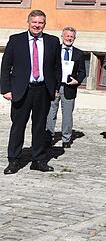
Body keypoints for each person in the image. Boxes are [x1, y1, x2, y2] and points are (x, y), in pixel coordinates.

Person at [2, 10, 61, 174]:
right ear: (28, 23)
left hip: (43, 89)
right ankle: (14, 160)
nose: (37, 25)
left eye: (40, 23)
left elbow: (57, 67)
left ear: (45, 24)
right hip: (22, 90)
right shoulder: (16, 40)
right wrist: (6, 89)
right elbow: (6, 66)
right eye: (34, 22)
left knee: (40, 127)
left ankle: (38, 159)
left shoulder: (53, 41)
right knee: (18, 126)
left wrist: (55, 87)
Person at [46, 27, 87, 149]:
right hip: (54, 87)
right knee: (50, 113)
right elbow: (48, 67)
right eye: (67, 36)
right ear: (62, 36)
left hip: (69, 88)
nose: (69, 38)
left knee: (67, 115)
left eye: (71, 36)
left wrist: (77, 81)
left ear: (74, 38)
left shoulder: (78, 53)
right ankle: (48, 137)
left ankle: (66, 138)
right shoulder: (54, 50)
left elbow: (82, 72)